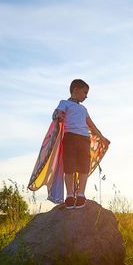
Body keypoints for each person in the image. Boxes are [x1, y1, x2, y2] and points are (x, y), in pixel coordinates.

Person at [53, 79, 110, 209]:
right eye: (85, 92)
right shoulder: (64, 103)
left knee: (84, 166)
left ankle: (81, 194)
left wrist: (102, 137)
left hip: (84, 139)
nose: (86, 96)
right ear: (76, 90)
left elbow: (91, 124)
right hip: (70, 138)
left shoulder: (83, 109)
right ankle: (69, 195)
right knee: (69, 167)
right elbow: (57, 113)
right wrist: (59, 115)